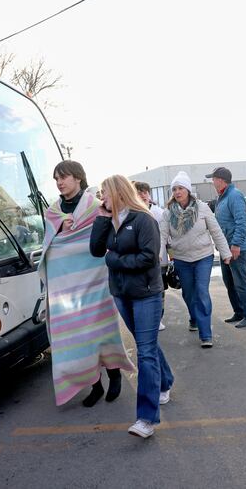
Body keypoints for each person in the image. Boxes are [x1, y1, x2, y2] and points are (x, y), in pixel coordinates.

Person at [39, 161, 134, 408]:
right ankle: (95, 385)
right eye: (56, 178)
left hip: (96, 283)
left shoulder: (96, 206)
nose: (60, 182)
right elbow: (50, 244)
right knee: (77, 337)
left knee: (102, 331)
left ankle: (114, 375)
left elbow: (110, 233)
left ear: (78, 178)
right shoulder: (53, 211)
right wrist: (61, 225)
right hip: (67, 288)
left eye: (64, 177)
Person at [90, 175, 174, 439]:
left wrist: (114, 260)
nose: (101, 198)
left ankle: (146, 419)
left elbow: (149, 258)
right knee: (145, 342)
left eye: (104, 193)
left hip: (146, 293)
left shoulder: (143, 219)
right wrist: (103, 217)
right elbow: (95, 250)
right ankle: (166, 380)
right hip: (121, 293)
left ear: (118, 192)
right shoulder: (110, 220)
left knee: (145, 351)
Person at [160, 171, 232, 348]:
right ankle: (194, 316)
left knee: (201, 291)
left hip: (203, 257)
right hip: (182, 259)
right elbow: (161, 237)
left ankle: (205, 333)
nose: (177, 192)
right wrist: (159, 258)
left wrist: (226, 253)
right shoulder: (168, 213)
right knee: (188, 293)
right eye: (174, 189)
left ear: (188, 190)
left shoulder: (202, 208)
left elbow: (216, 231)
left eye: (181, 188)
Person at [205, 166, 246, 328]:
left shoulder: (234, 196)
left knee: (240, 283)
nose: (212, 182)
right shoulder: (222, 197)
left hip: (235, 248)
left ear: (221, 180)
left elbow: (242, 222)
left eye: (213, 179)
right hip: (225, 249)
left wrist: (236, 244)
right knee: (230, 282)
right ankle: (239, 312)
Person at [133, 181, 167, 331]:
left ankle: (157, 318)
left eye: (144, 192)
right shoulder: (131, 212)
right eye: (138, 192)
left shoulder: (158, 212)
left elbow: (166, 236)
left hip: (158, 259)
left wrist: (170, 256)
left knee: (159, 290)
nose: (142, 195)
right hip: (139, 259)